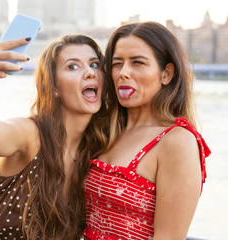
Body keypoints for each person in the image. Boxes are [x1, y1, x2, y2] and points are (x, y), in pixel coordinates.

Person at [0, 34, 116, 240]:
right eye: (73, 66)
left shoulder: (98, 148)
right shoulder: (31, 133)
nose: (90, 72)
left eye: (95, 64)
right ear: (53, 86)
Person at [83, 22, 211, 240]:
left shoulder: (177, 141)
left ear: (166, 74)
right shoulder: (104, 130)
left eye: (138, 63)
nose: (123, 73)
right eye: (117, 63)